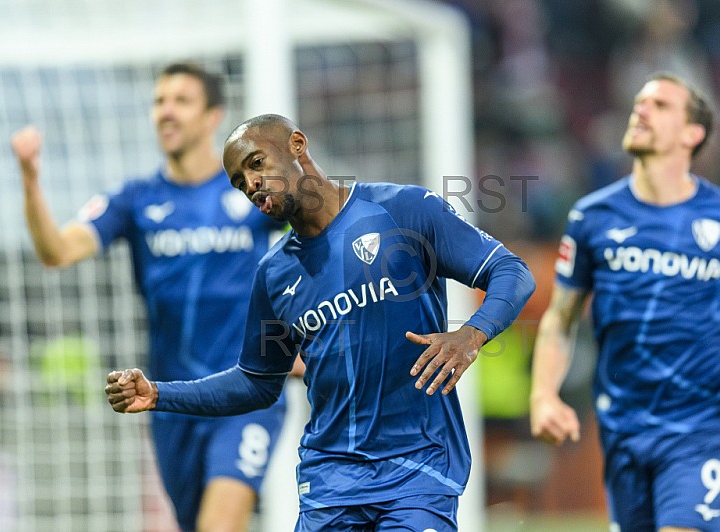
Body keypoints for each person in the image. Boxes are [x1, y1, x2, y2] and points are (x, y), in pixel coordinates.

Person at [105, 114, 536, 531]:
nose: (251, 185)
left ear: (297, 145)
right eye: (239, 182)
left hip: (417, 468)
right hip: (331, 483)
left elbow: (511, 271)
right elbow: (257, 382)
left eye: (256, 164)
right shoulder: (274, 274)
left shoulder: (403, 210)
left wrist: (472, 333)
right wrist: (159, 393)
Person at [12, 63, 295, 532]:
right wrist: (29, 179)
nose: (166, 111)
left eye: (181, 101)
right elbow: (56, 252)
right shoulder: (136, 199)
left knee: (219, 525)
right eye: (159, 100)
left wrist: (306, 330)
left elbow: (318, 240)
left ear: (212, 118)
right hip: (170, 399)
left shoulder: (251, 192)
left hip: (245, 393)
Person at [530, 72, 720, 532]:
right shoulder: (592, 217)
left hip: (700, 430)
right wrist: (542, 396)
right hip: (624, 432)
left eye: (659, 105)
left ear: (693, 133)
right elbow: (560, 319)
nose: (641, 110)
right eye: (639, 102)